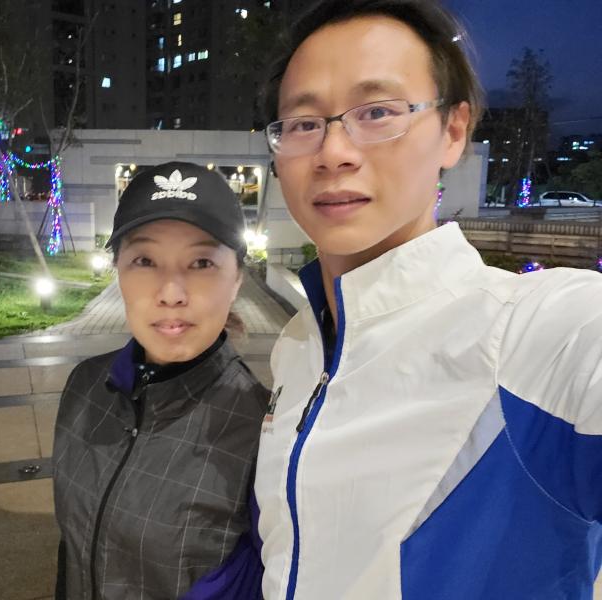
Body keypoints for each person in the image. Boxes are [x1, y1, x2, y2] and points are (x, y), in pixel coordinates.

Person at [254, 1, 602, 599]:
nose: (333, 151)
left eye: (377, 112)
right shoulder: (299, 346)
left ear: (454, 131)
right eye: (303, 123)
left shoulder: (534, 335)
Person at [52, 161, 267, 599]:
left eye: (202, 262)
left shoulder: (262, 433)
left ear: (236, 280)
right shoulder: (85, 386)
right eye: (145, 260)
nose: (171, 293)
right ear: (118, 271)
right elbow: (72, 552)